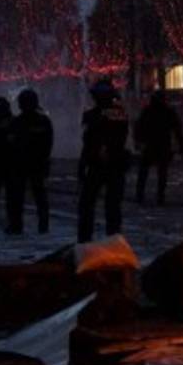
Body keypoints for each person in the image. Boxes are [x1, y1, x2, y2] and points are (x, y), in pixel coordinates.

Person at [77, 79, 129, 243]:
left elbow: (114, 138)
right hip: (107, 165)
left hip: (106, 165)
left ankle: (88, 240)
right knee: (109, 206)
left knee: (93, 204)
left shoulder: (98, 114)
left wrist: (83, 164)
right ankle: (111, 239)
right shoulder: (114, 113)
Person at [6, 89, 54, 235]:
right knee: (40, 197)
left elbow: (10, 144)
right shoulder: (43, 121)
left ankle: (16, 226)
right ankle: (43, 226)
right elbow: (48, 143)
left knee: (17, 197)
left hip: (21, 165)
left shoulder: (16, 122)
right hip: (37, 164)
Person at [134, 90, 183, 206]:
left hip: (151, 145)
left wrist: (138, 141)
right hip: (162, 145)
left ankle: (140, 195)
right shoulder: (167, 112)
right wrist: (181, 146)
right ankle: (159, 196)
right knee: (161, 173)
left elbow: (139, 127)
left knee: (145, 172)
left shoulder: (148, 111)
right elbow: (177, 130)